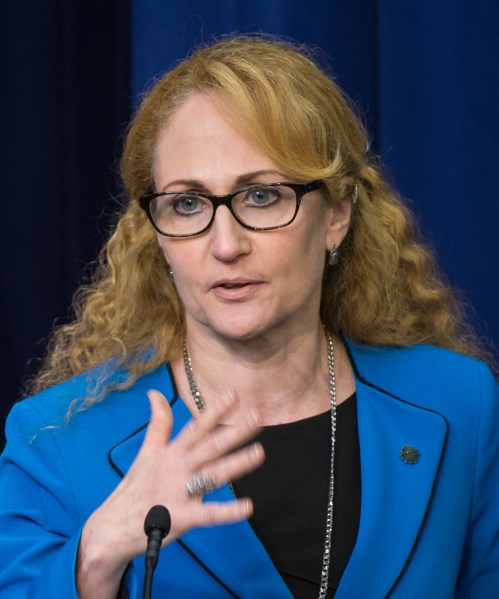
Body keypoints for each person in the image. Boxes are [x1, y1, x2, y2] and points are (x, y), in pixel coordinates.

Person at [0, 35, 497, 599]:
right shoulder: (57, 442)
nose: (226, 244)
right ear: (156, 234)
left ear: (336, 214)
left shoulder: (461, 406)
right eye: (187, 204)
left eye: (261, 196)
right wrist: (95, 557)